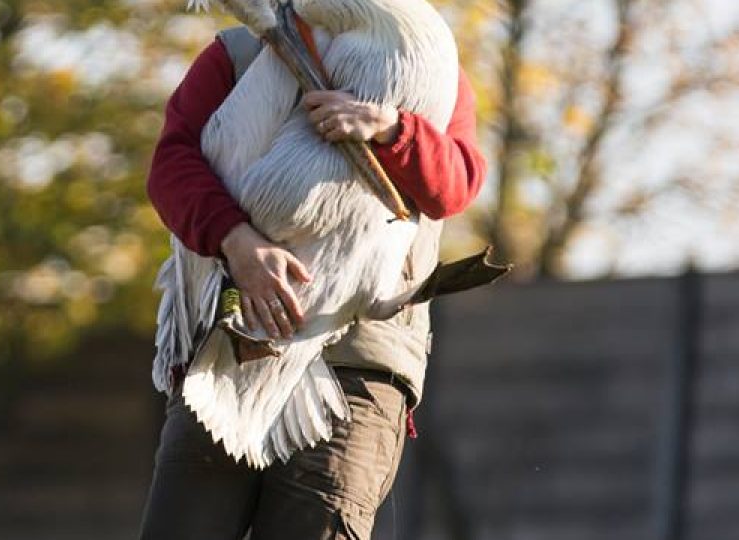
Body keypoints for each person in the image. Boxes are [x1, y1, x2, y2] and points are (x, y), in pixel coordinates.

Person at [139, 26, 486, 539]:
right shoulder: (240, 52)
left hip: (356, 369)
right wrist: (237, 242)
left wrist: (390, 128)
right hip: (230, 353)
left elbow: (454, 186)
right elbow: (171, 166)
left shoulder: (431, 64)